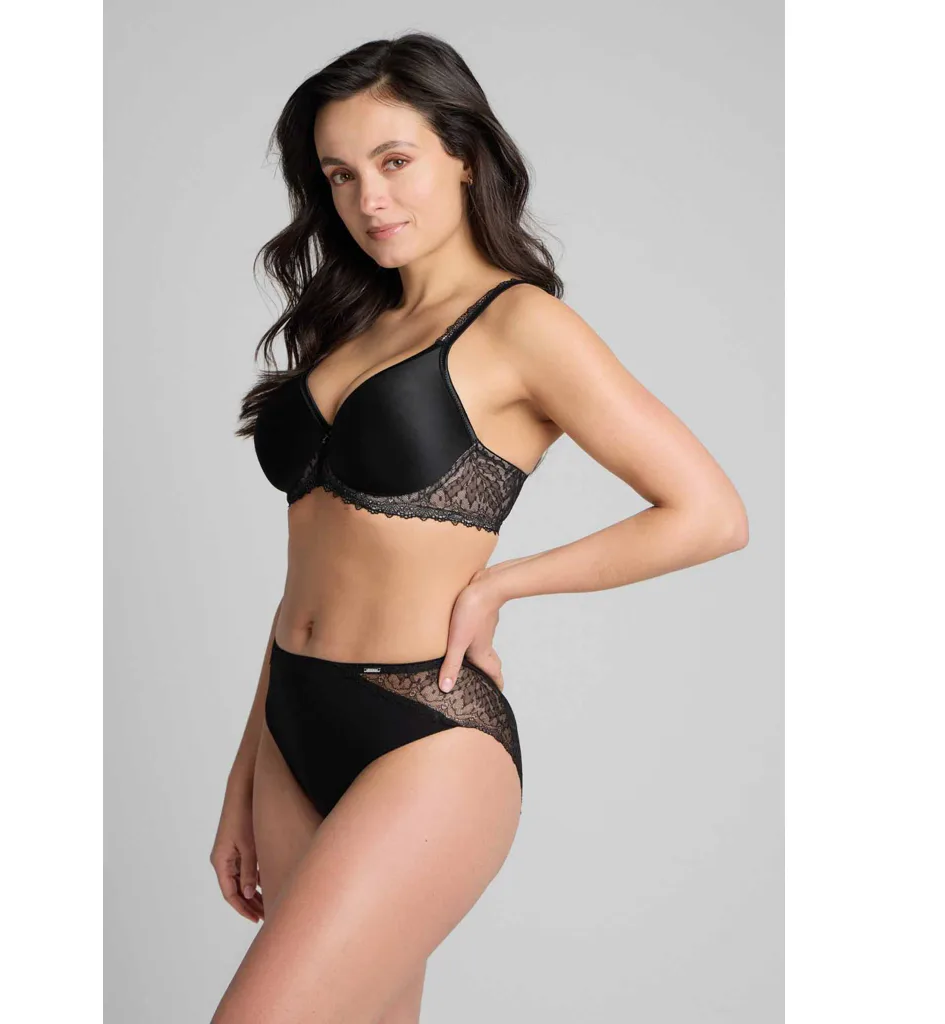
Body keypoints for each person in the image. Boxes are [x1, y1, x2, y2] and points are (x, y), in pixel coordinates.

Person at [209, 33, 749, 1024]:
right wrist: (245, 771)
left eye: (395, 160)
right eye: (340, 174)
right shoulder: (348, 328)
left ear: (463, 154)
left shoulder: (520, 326)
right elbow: (306, 576)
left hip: (425, 735)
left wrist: (503, 584)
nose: (370, 198)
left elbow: (710, 514)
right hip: (292, 722)